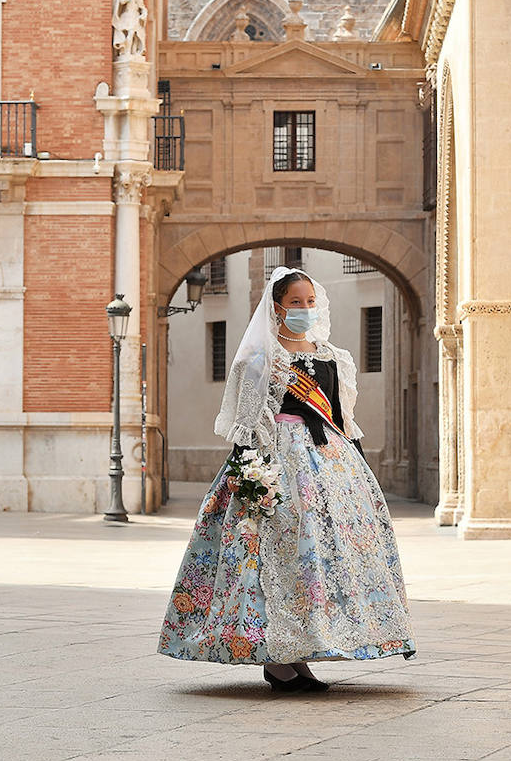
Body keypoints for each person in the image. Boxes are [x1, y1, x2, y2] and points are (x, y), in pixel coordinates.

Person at [158, 267, 415, 691]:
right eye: (296, 302)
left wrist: (360, 476)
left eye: (310, 302)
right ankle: (278, 659)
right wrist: (249, 478)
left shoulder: (333, 356)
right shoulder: (259, 358)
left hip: (329, 466)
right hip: (276, 463)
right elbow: (246, 424)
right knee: (281, 557)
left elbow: (341, 420)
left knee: (319, 561)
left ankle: (303, 652)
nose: (304, 309)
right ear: (277, 306)